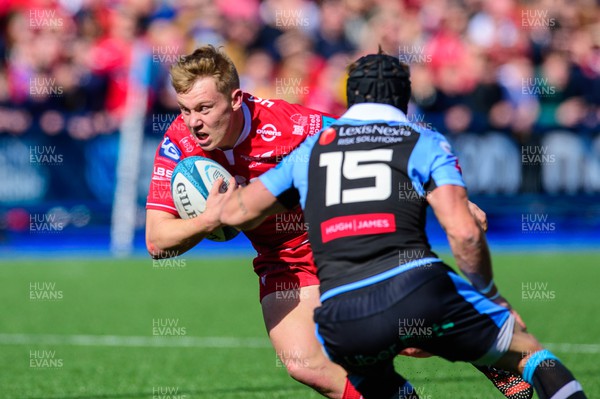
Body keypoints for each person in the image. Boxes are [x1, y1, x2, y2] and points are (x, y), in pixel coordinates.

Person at [146, 45, 531, 398]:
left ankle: (488, 347)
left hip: (337, 238)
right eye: (185, 109)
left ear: (235, 99)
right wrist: (209, 219)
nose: (193, 122)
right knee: (304, 364)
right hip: (281, 258)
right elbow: (157, 241)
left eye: (204, 108)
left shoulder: (291, 126)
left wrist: (449, 195)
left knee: (408, 338)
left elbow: (380, 141)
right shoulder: (179, 143)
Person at [218, 52, 587, 398]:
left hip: (339, 316)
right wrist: (488, 292)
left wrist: (218, 198)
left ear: (351, 97)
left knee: (374, 374)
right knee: (530, 354)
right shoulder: (422, 139)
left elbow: (236, 213)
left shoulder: (311, 148)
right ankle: (487, 352)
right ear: (403, 98)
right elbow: (463, 233)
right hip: (414, 284)